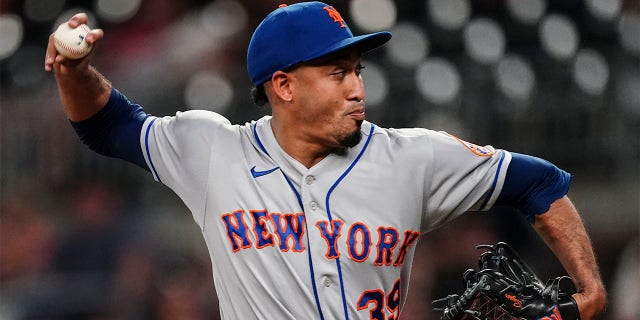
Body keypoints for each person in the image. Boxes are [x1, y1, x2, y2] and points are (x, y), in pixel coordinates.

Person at [45, 2, 606, 319]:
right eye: (338, 73)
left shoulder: (413, 158)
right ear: (284, 86)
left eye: (358, 70)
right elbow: (109, 125)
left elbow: (540, 184)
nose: (357, 88)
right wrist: (75, 71)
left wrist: (589, 292)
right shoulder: (214, 149)